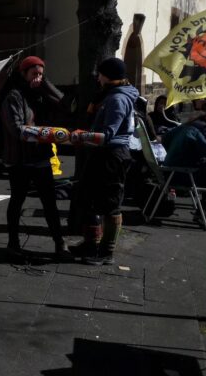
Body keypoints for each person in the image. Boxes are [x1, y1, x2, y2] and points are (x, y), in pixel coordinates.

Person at [0, 55, 71, 260]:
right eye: (34, 74)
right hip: (20, 160)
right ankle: (13, 243)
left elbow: (65, 105)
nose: (38, 77)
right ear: (24, 74)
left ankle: (60, 244)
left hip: (40, 159)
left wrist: (46, 86)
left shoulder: (42, 94)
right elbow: (15, 128)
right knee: (17, 201)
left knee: (50, 203)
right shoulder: (14, 96)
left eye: (41, 74)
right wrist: (43, 134)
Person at [72, 57, 139, 265]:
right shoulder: (111, 95)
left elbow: (109, 133)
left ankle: (105, 252)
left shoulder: (117, 99)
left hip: (112, 155)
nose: (98, 78)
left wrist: (81, 136)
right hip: (103, 153)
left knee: (109, 204)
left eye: (100, 74)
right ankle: (91, 243)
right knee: (89, 199)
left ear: (108, 75)